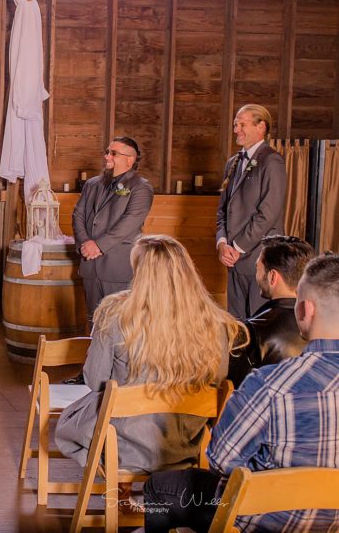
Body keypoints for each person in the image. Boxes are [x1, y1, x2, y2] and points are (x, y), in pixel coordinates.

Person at [143, 253, 339, 533]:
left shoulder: (271, 384)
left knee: (159, 487)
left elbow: (221, 459)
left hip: (269, 520)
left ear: (305, 310)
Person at [55, 235, 245, 474]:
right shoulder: (215, 322)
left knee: (82, 414)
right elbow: (215, 383)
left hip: (124, 447)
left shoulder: (115, 314)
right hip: (185, 445)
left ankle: (122, 493)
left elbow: (95, 381)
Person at [71, 136, 154, 323]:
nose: (107, 156)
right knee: (94, 321)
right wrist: (85, 244)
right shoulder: (92, 184)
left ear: (129, 160)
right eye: (107, 152)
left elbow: (130, 222)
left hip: (118, 268)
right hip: (90, 265)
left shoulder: (141, 187)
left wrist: (98, 246)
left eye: (113, 153)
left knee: (120, 324)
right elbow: (78, 215)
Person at [216, 104, 286, 319]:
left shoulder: (272, 161)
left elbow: (268, 213)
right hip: (232, 260)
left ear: (261, 126)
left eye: (242, 124)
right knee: (236, 324)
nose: (236, 129)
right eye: (235, 124)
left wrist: (238, 246)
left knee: (257, 323)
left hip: (259, 258)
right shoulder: (233, 163)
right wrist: (222, 244)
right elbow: (222, 211)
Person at [226, 235, 313, 387]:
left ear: (272, 276)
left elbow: (237, 392)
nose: (257, 276)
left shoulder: (251, 332)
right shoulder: (327, 323)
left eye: (258, 268)